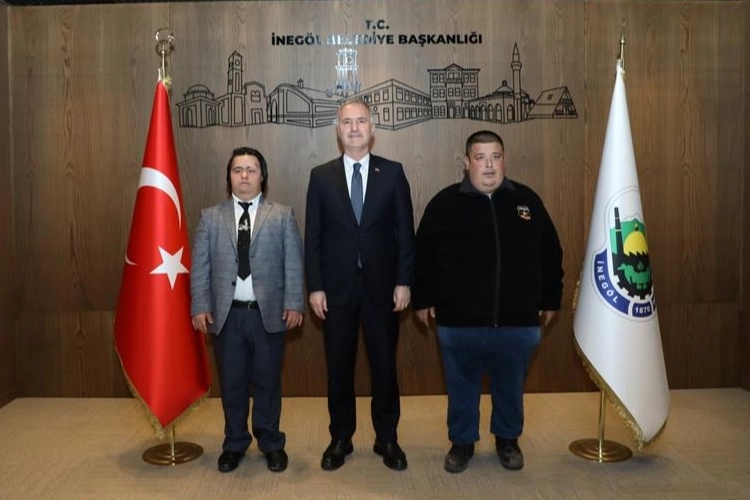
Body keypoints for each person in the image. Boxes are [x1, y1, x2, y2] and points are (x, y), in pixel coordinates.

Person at [413, 130, 563, 473]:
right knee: (461, 386)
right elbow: (422, 256)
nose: (489, 165)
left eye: (495, 156)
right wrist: (422, 298)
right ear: (467, 163)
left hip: (517, 320)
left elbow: (551, 253)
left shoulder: (527, 202)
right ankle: (462, 443)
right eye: (480, 158)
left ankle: (508, 441)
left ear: (504, 160)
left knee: (510, 385)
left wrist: (551, 298)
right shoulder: (444, 204)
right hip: (458, 321)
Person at [305, 100, 415, 471]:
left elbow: (406, 234)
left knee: (384, 366)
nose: (354, 128)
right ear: (338, 130)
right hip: (336, 291)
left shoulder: (393, 173)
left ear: (373, 127)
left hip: (383, 290)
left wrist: (404, 281)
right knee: (339, 367)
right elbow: (313, 236)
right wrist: (315, 286)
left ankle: (387, 438)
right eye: (347, 122)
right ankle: (341, 437)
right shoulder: (321, 176)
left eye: (361, 121)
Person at [191, 147, 304, 474]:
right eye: (237, 170)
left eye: (251, 170)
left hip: (268, 315)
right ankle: (234, 442)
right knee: (233, 383)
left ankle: (271, 443)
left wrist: (294, 302)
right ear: (228, 177)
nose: (244, 176)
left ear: (262, 176)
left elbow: (294, 263)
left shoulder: (282, 215)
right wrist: (200, 305)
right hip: (227, 317)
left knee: (268, 383)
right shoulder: (210, 217)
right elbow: (200, 267)